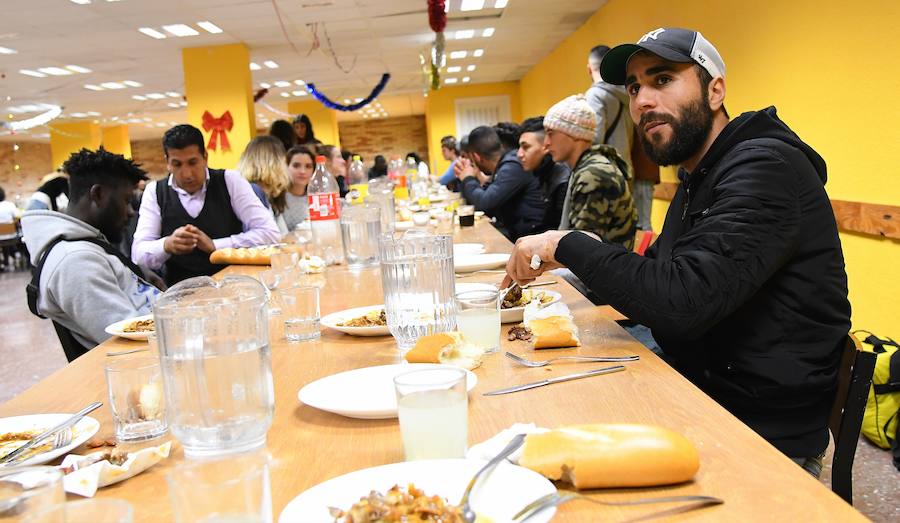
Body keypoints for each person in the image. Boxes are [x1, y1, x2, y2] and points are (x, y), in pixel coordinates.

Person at [503, 27, 851, 477]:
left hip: (755, 430)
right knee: (540, 408)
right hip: (698, 388)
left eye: (662, 79)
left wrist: (562, 242)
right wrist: (588, 250)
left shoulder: (765, 167)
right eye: (633, 88)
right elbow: (661, 273)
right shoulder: (702, 173)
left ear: (715, 90)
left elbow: (682, 301)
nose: (643, 101)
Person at [22, 148, 161, 351]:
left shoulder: (87, 247)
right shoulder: (75, 262)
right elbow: (136, 344)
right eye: (126, 201)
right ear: (98, 194)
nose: (131, 212)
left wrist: (137, 272)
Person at [131, 124, 280, 285]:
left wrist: (216, 246)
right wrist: (167, 245)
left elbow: (270, 234)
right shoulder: (155, 192)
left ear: (205, 157)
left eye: (192, 162)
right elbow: (137, 255)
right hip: (181, 293)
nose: (187, 174)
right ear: (167, 162)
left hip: (235, 285)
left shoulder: (230, 181)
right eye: (177, 164)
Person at [545, 93, 636, 248]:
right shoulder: (586, 166)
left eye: (550, 133)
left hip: (607, 269)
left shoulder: (593, 174)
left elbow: (582, 250)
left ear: (573, 133)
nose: (546, 143)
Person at [454, 126, 544, 241]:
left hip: (530, 239)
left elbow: (484, 203)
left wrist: (468, 178)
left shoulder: (512, 166)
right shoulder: (505, 164)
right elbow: (488, 195)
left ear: (476, 157)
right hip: (520, 235)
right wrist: (475, 177)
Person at [517, 117, 571, 232]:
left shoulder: (562, 180)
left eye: (525, 147)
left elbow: (561, 231)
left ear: (546, 146)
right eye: (519, 147)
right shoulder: (543, 172)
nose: (519, 154)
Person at [237, 135, 291, 234]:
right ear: (274, 163)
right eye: (284, 161)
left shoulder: (269, 195)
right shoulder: (254, 193)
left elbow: (283, 235)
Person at [282, 145, 316, 231]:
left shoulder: (317, 198)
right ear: (286, 167)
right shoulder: (278, 198)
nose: (302, 171)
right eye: (296, 166)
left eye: (308, 166)